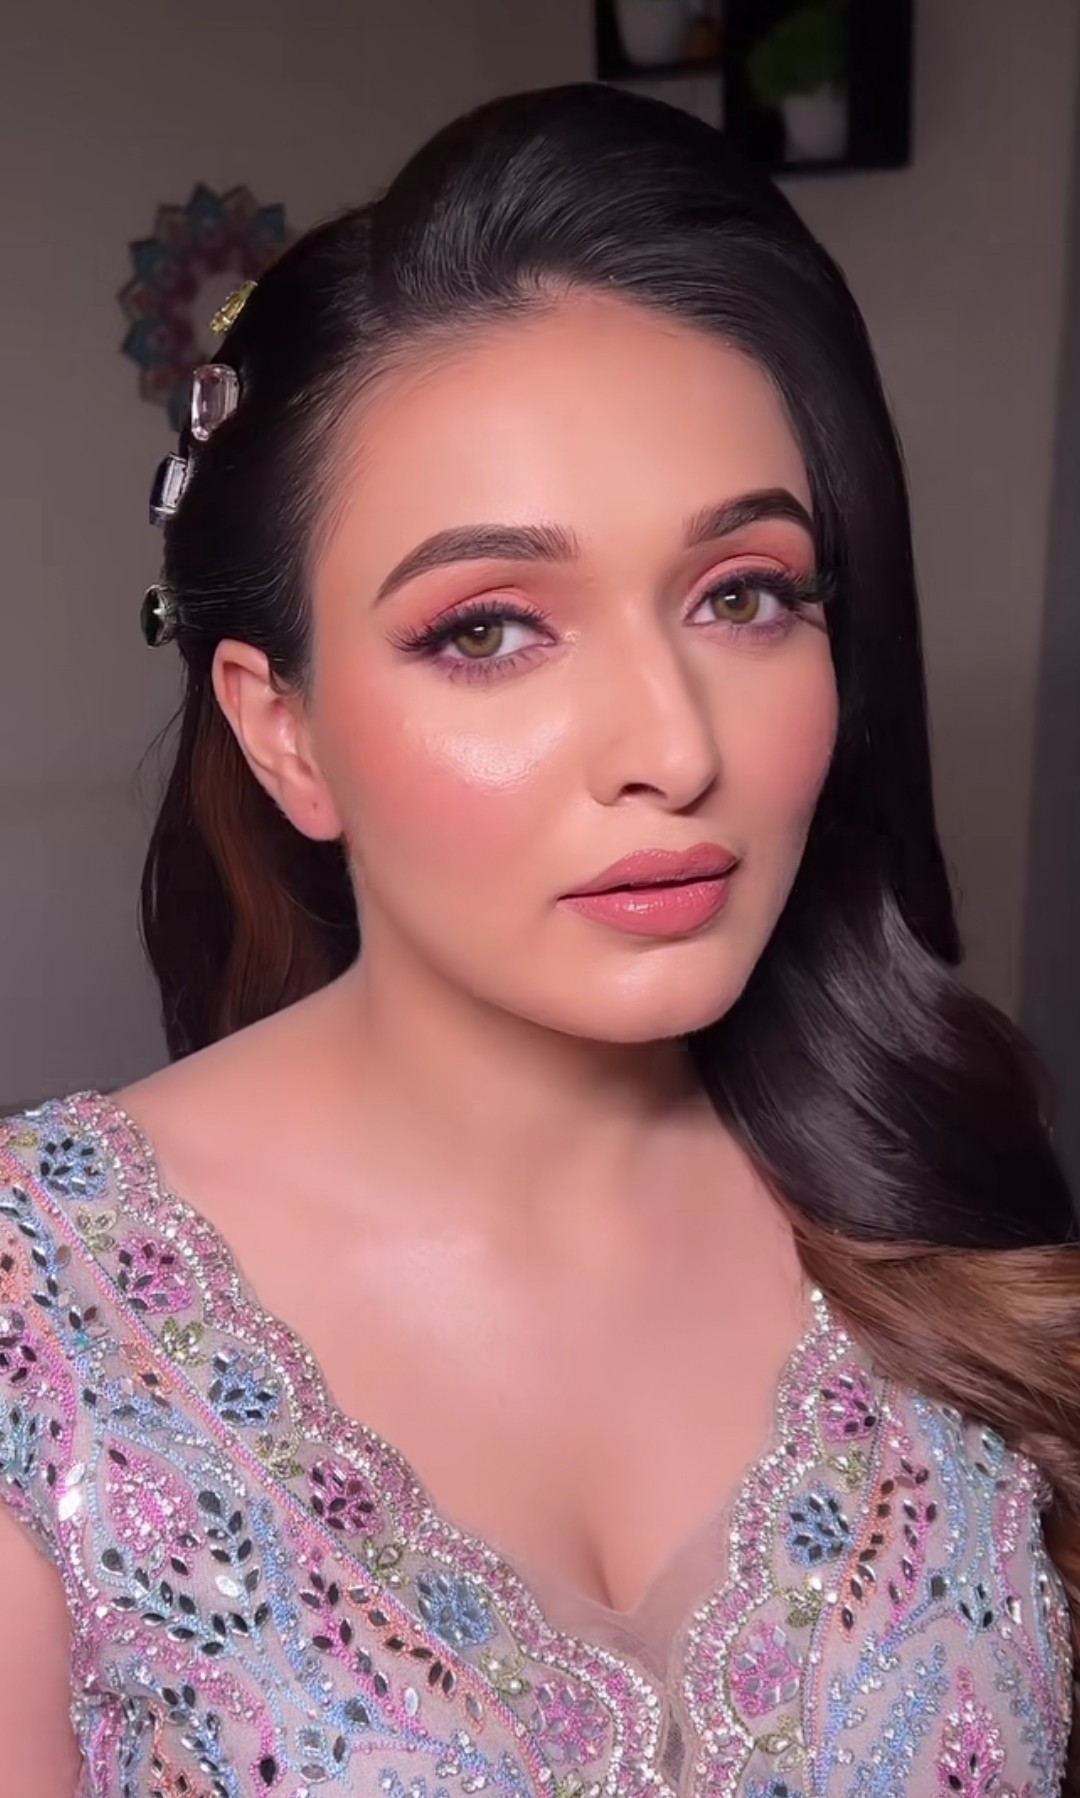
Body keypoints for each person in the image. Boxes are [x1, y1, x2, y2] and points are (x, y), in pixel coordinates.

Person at [0, 82, 1076, 1798]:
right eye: (490, 628)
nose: (674, 745)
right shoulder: (40, 1317)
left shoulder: (942, 1202)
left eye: (744, 594)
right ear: (284, 730)